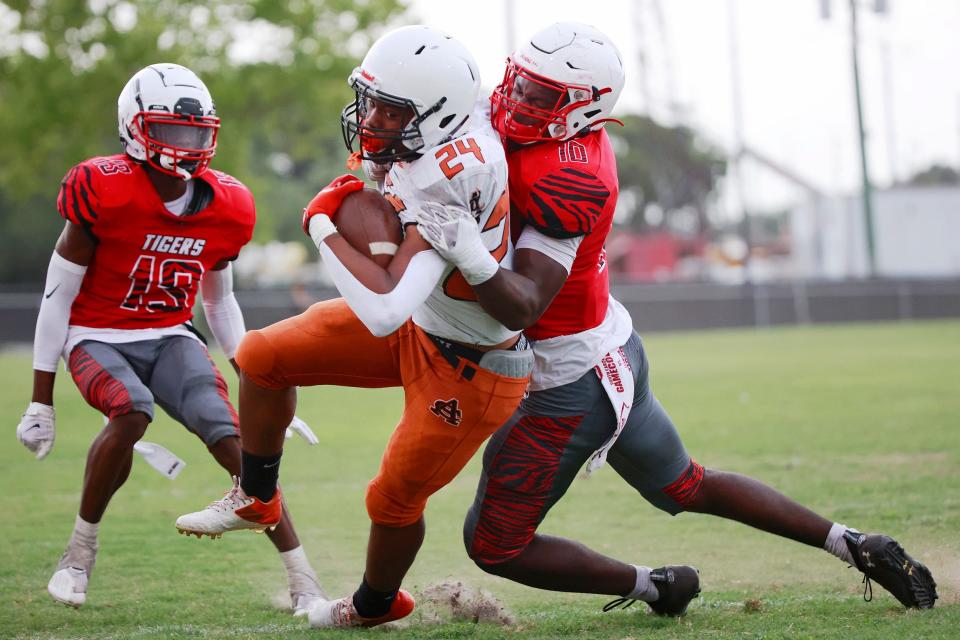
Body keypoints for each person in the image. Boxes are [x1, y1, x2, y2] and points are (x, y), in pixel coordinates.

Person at [414, 22, 938, 614]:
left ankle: (653, 586)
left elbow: (524, 301)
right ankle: (854, 544)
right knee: (685, 484)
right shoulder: (520, 119)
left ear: (585, 108)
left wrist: (466, 250)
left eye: (540, 95)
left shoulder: (571, 175)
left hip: (568, 377)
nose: (516, 101)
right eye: (518, 83)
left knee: (494, 545)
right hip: (610, 346)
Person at [173, 26, 534, 628]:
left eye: (390, 112)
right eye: (372, 103)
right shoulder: (442, 124)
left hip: (470, 364)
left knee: (391, 498)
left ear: (437, 115)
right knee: (262, 355)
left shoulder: (451, 174)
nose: (372, 121)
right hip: (423, 321)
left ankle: (373, 605)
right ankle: (258, 496)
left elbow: (384, 308)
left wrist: (321, 225)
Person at [14, 63, 325, 614]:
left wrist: (261, 384)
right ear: (134, 127)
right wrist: (41, 400)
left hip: (169, 335)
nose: (186, 146)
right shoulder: (101, 187)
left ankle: (303, 577)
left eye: (196, 134)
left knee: (238, 441)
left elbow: (219, 300)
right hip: (97, 335)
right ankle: (78, 553)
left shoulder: (228, 203)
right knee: (130, 411)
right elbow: (56, 295)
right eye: (171, 131)